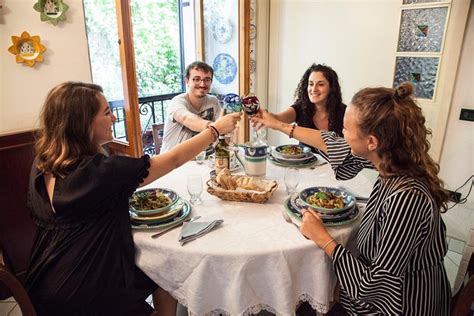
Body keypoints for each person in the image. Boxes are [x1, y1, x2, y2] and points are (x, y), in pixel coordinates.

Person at [25, 81, 241, 316]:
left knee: (155, 269)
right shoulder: (100, 172)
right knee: (165, 271)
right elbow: (172, 160)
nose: (114, 119)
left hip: (42, 280)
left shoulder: (43, 162)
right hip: (85, 292)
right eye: (107, 113)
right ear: (82, 123)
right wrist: (215, 130)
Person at [252, 82, 451, 315]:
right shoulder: (392, 159)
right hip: (383, 291)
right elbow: (333, 144)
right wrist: (278, 125)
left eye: (346, 129)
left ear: (372, 142)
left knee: (299, 305)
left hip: (402, 304)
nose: (341, 134)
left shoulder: (407, 198)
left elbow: (374, 288)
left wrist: (323, 238)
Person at [266, 63, 346, 151]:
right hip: (304, 164)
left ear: (331, 88)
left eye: (320, 84)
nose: (314, 89)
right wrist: (265, 115)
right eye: (311, 84)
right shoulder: (301, 107)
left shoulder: (345, 112)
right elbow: (277, 119)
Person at [161, 61, 221, 153]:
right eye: (196, 79)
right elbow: (186, 118)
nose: (202, 84)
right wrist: (215, 127)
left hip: (202, 159)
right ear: (187, 81)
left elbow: (222, 133)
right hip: (173, 162)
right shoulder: (177, 101)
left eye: (207, 80)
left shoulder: (213, 101)